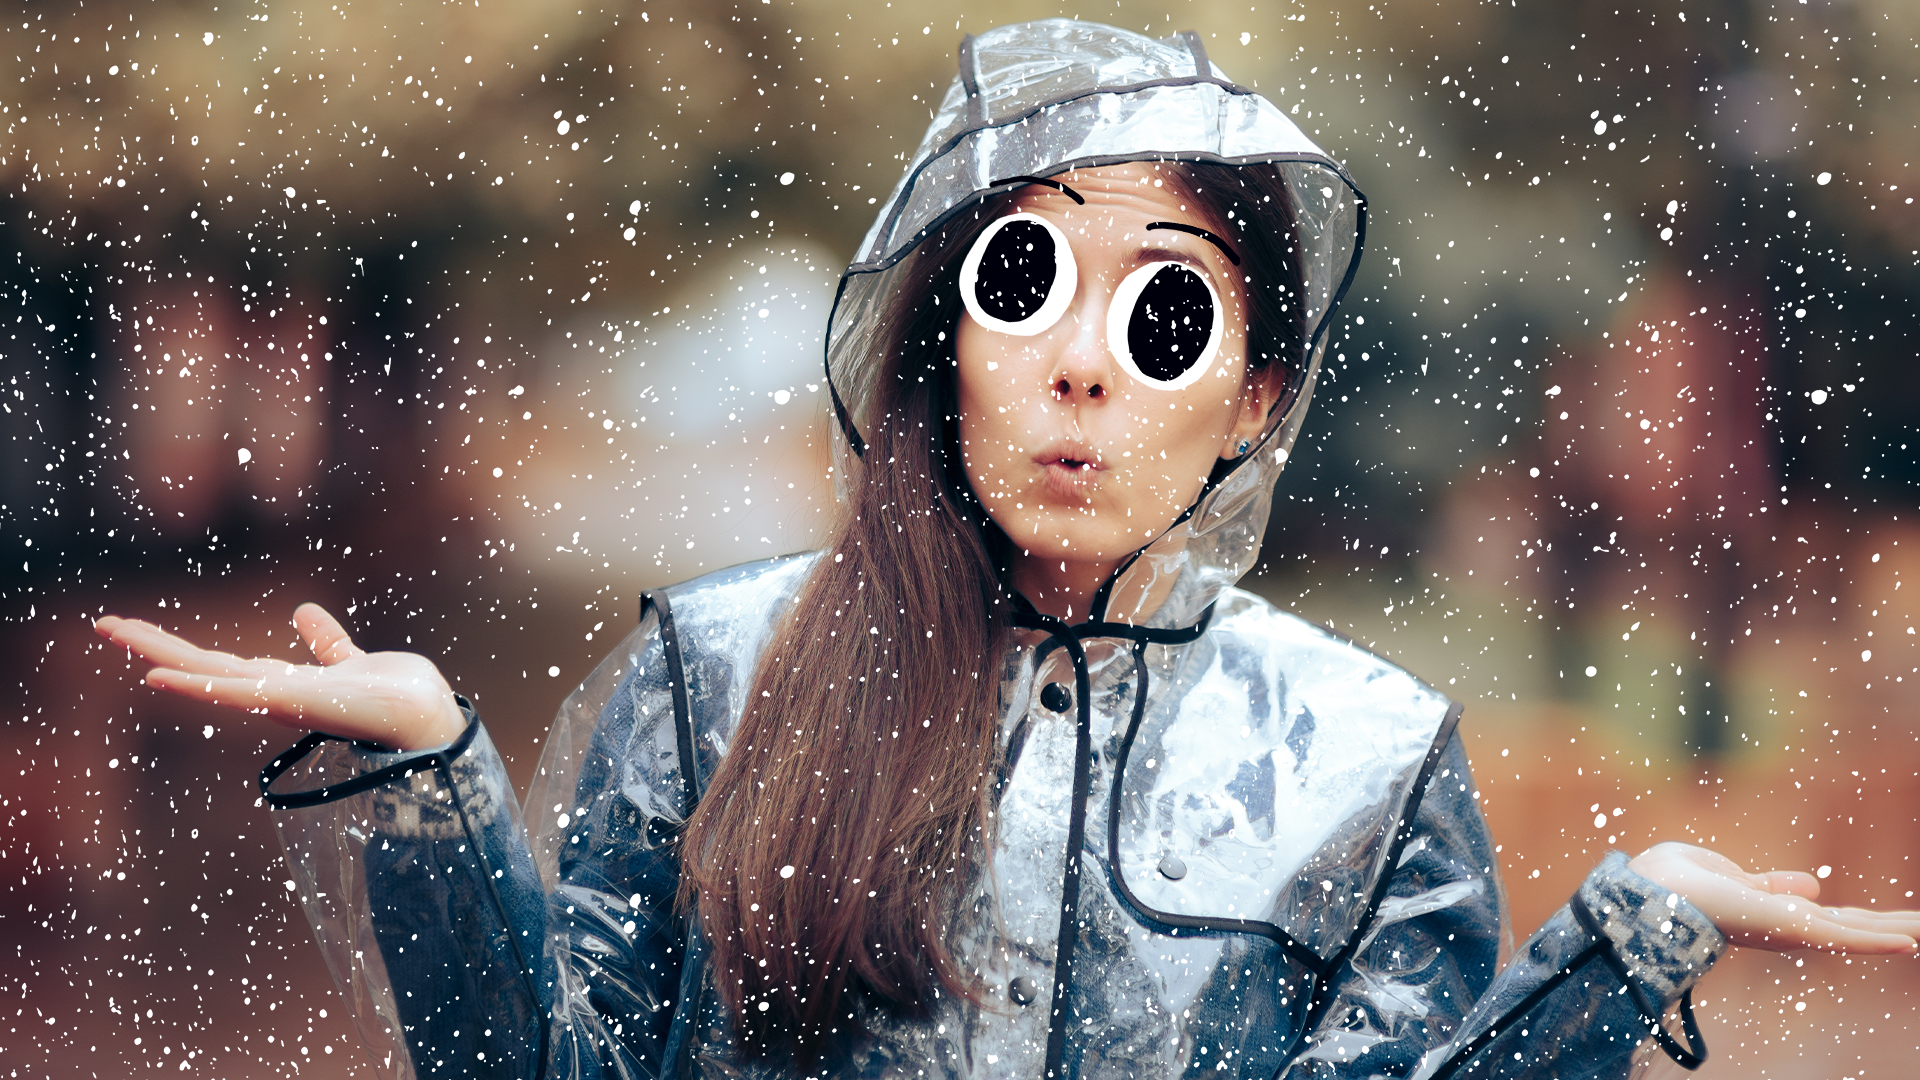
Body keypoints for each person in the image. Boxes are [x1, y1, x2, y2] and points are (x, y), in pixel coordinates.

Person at [95, 21, 1919, 1080]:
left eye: (1168, 312)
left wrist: (1617, 950)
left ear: (1255, 392)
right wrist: (437, 789)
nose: (1077, 360)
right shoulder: (715, 681)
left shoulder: (1367, 767)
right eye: (1024, 278)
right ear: (940, 339)